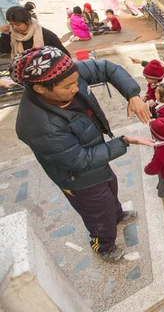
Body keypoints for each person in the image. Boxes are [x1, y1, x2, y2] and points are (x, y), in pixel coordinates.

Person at [10, 46, 153, 261]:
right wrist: (123, 142)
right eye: (68, 87)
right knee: (97, 212)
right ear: (40, 88)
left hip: (94, 155)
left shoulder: (66, 73)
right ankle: (103, 245)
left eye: (77, 81)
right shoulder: (37, 124)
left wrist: (133, 95)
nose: (76, 88)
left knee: (110, 186)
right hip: (76, 176)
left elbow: (107, 68)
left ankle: (117, 215)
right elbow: (79, 160)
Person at [0, 6, 70, 58]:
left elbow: (65, 56)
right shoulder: (12, 35)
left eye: (18, 24)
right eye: (12, 24)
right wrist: (5, 34)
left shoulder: (47, 36)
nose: (14, 27)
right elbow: (4, 50)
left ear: (28, 21)